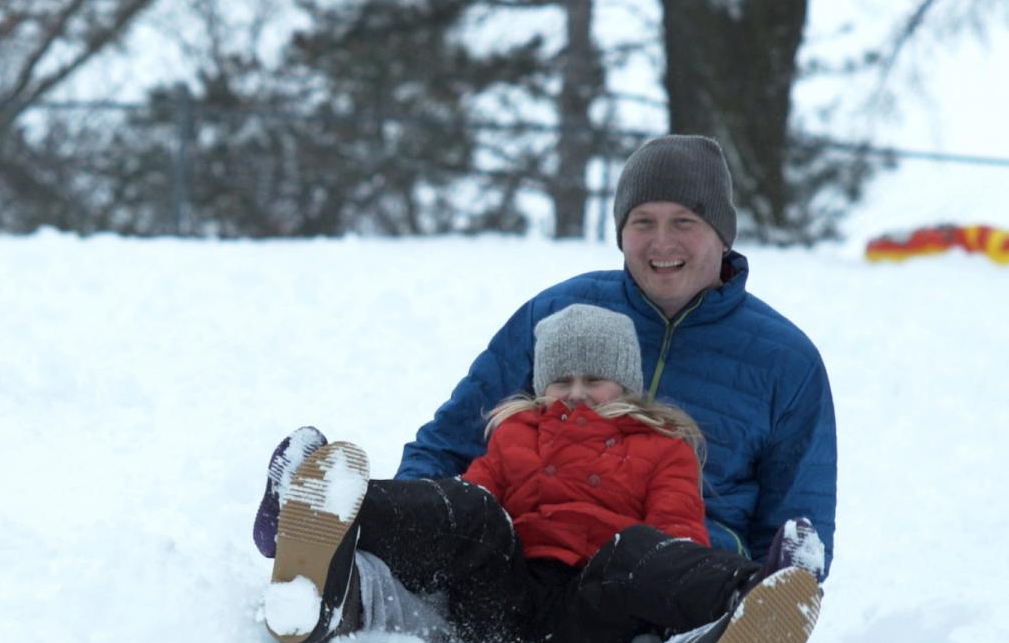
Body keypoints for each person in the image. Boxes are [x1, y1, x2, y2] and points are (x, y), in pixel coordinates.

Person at [254, 135, 836, 580]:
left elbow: (798, 522)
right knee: (469, 509)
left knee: (648, 555)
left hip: (671, 576)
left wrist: (769, 609)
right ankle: (321, 521)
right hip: (530, 558)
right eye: (643, 222)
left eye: (685, 222)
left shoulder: (784, 360)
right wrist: (409, 535)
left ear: (722, 234)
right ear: (620, 232)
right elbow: (452, 441)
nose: (663, 243)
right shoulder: (561, 313)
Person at [260, 304, 822, 643]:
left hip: (591, 619)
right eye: (561, 380)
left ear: (625, 383)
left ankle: (760, 596)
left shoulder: (663, 447)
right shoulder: (514, 432)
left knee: (638, 550)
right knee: (473, 509)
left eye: (595, 380)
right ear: (541, 383)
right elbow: (460, 515)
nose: (576, 393)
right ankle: (325, 509)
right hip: (501, 603)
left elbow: (678, 537)